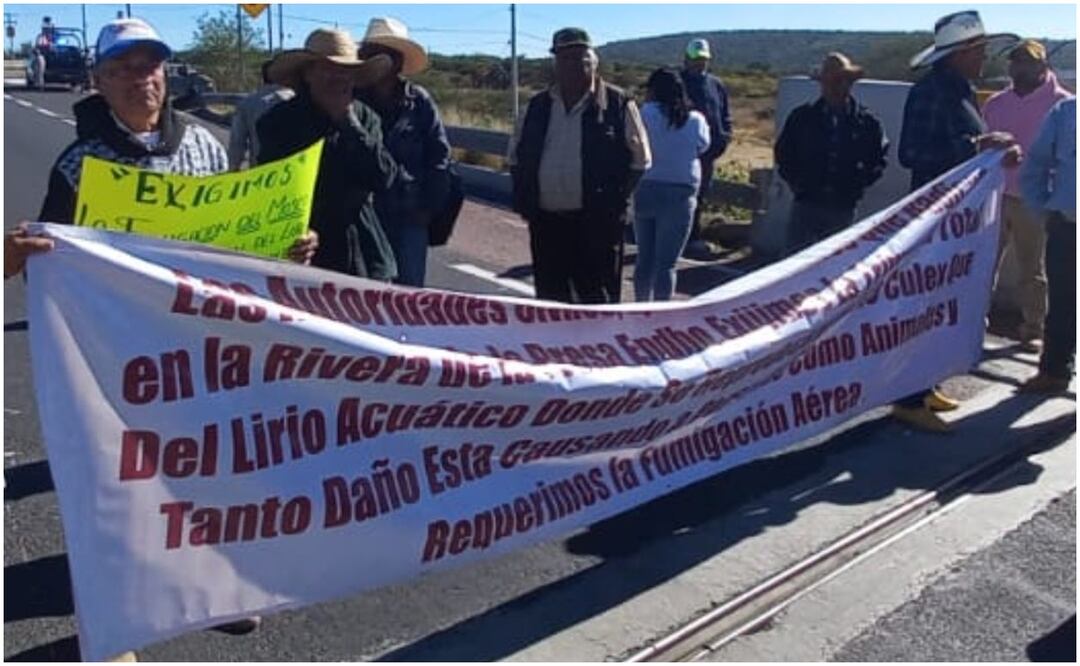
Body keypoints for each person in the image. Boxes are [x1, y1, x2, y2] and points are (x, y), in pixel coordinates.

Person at [37, 17, 315, 269]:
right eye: (123, 68)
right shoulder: (77, 166)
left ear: (164, 74)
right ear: (98, 81)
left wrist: (287, 243)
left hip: (190, 319)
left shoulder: (205, 147)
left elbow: (232, 238)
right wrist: (24, 256)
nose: (141, 78)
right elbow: (49, 269)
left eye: (151, 66)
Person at [893, 10, 1022, 434]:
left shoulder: (961, 91)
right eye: (978, 50)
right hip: (933, 220)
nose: (984, 57)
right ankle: (907, 398)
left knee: (938, 307)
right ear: (958, 54)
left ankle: (924, 384)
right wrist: (977, 147)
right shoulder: (932, 92)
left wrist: (992, 155)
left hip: (954, 221)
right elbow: (913, 153)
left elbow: (966, 150)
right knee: (920, 306)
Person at [508, 27, 651, 304]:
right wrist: (526, 201)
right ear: (555, 64)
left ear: (594, 63)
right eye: (565, 59)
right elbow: (516, 157)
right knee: (551, 302)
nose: (573, 66)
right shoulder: (537, 106)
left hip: (597, 225)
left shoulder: (618, 103)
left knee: (597, 301)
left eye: (581, 59)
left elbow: (640, 160)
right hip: (547, 223)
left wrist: (615, 204)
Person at [257, 28, 399, 281]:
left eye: (346, 71)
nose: (339, 78)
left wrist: (347, 120)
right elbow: (270, 191)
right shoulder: (277, 122)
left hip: (364, 254)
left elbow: (383, 177)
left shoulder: (366, 117)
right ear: (308, 74)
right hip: (305, 252)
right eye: (329, 68)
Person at [982, 40, 1072, 353]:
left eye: (1027, 62)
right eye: (1015, 61)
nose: (1019, 67)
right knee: (982, 264)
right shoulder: (995, 103)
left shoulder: (1063, 104)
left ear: (1042, 66)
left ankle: (1033, 328)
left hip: (1034, 202)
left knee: (1032, 270)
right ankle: (976, 322)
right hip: (993, 195)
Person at [356, 17, 452, 288]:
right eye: (372, 54)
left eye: (384, 55)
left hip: (409, 213)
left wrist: (429, 208)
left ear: (398, 61)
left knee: (408, 295)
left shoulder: (418, 101)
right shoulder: (352, 99)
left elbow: (439, 156)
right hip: (363, 216)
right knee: (365, 292)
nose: (378, 62)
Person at [775, 52, 888, 254]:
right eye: (831, 81)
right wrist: (798, 184)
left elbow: (879, 157)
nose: (837, 86)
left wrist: (857, 185)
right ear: (822, 84)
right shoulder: (802, 118)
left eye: (842, 81)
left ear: (850, 83)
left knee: (833, 265)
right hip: (806, 204)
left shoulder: (868, 122)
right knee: (794, 264)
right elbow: (784, 154)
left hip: (842, 207)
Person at [633, 67, 709, 301]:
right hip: (680, 192)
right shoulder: (695, 119)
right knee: (666, 264)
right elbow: (703, 146)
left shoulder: (643, 114)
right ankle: (660, 312)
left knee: (644, 258)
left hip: (645, 187)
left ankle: (639, 307)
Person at [1018, 97, 1075, 394]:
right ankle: (1054, 371)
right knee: (1064, 301)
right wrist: (1044, 209)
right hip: (1069, 225)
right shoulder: (1066, 113)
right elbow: (1036, 164)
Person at [679, 38, 732, 256]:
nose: (699, 63)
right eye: (695, 59)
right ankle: (677, 239)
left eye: (703, 59)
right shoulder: (678, 82)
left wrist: (725, 137)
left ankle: (692, 237)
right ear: (686, 59)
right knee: (681, 196)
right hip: (683, 154)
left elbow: (724, 114)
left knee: (700, 196)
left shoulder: (715, 84)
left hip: (708, 153)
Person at [227, 61, 294, 170]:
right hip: (296, 171)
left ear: (263, 77)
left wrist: (233, 169)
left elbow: (237, 143)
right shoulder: (299, 100)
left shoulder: (248, 103)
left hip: (261, 173)